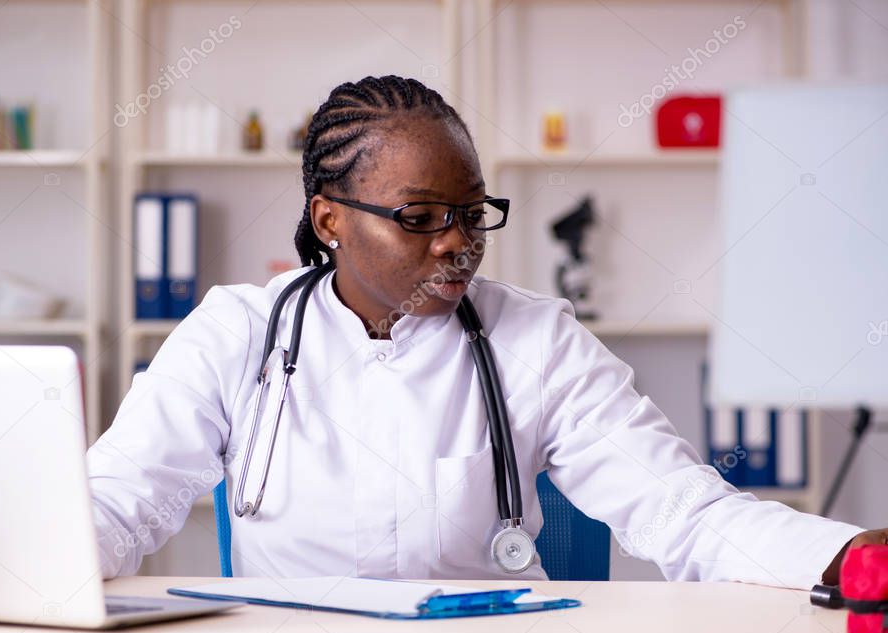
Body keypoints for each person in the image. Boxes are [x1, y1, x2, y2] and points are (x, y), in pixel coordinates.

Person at [87, 75, 884, 586]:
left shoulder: (535, 338)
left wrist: (847, 554)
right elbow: (120, 504)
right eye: (420, 217)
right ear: (329, 219)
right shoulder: (236, 333)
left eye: (472, 214)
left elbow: (683, 511)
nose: (456, 241)